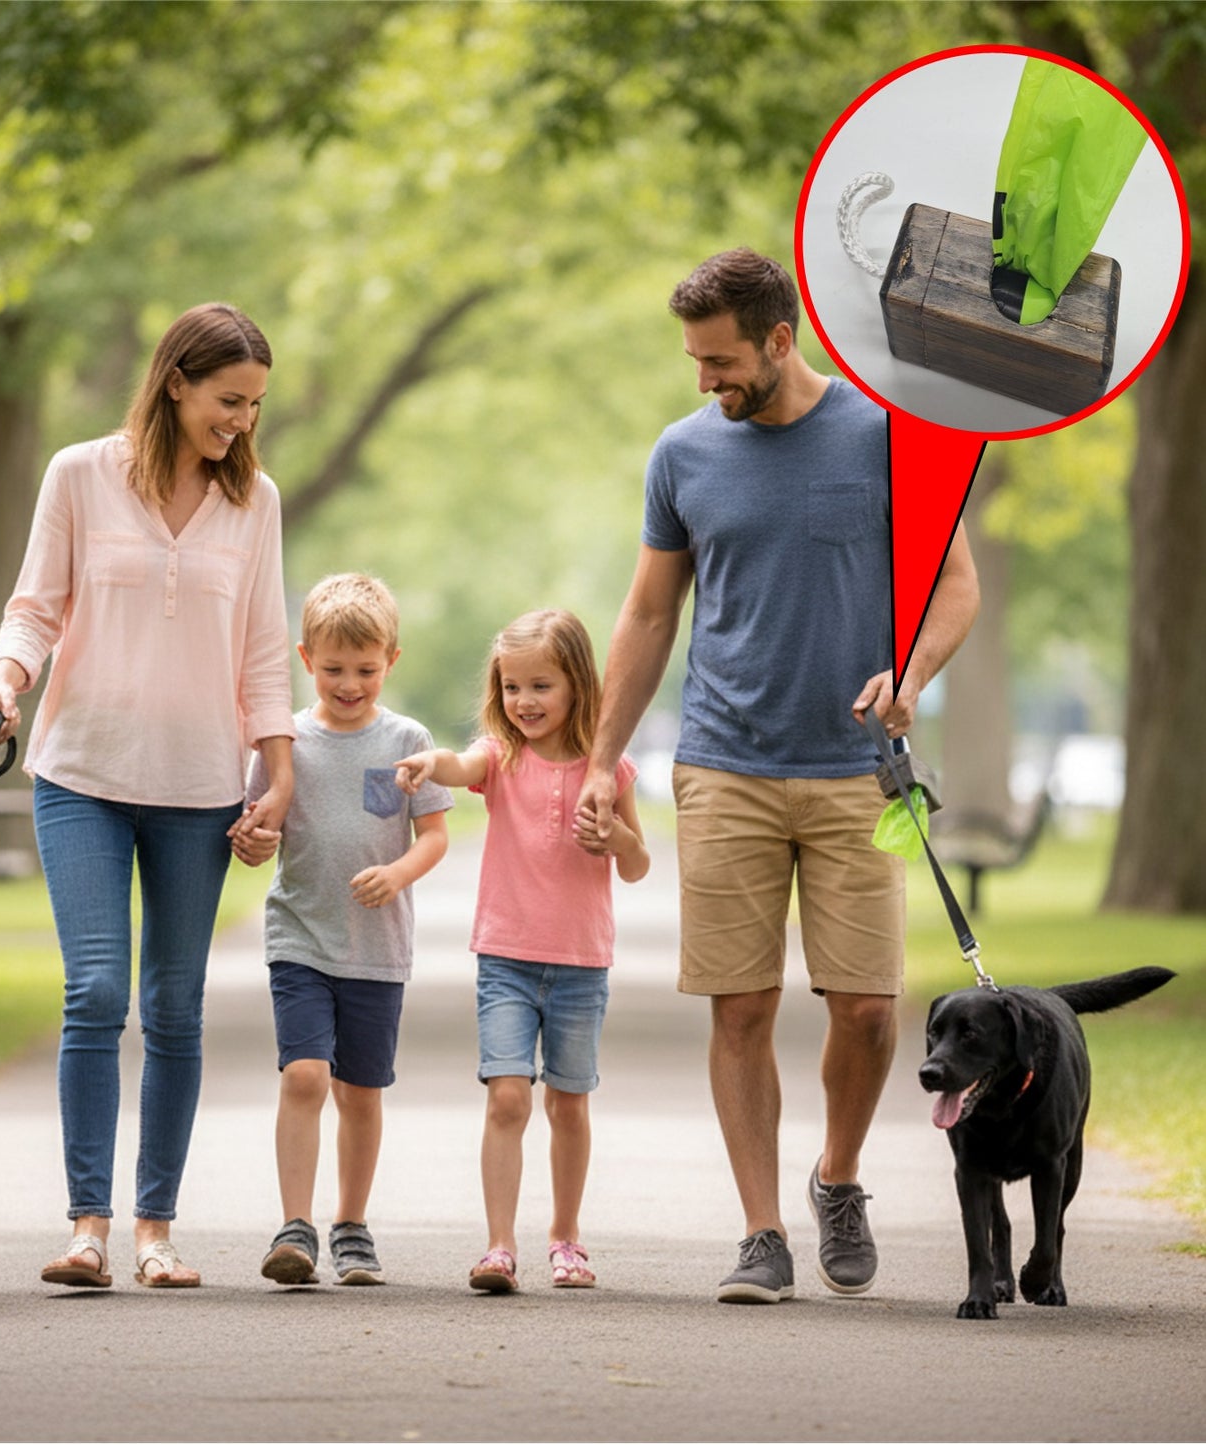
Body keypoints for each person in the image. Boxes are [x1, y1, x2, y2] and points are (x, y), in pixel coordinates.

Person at [577, 249, 979, 1305]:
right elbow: (649, 613)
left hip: (859, 767)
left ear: (778, 340)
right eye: (694, 362)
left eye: (718, 362)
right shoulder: (681, 455)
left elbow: (955, 585)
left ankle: (835, 1176)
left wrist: (912, 670)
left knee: (864, 1007)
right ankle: (760, 1229)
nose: (703, 381)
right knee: (739, 1006)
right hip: (723, 761)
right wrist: (598, 758)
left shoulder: (887, 432)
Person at [0, 302, 296, 1291]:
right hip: (83, 772)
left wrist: (275, 773)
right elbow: (36, 603)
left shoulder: (256, 503)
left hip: (200, 786)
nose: (240, 420)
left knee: (173, 1004)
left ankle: (155, 1229)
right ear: (174, 382)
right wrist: (7, 678)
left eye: (251, 405)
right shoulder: (80, 473)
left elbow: (263, 652)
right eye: (226, 399)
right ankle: (87, 1226)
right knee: (96, 991)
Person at [396, 609, 649, 1293]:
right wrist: (430, 764)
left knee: (568, 1102)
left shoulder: (610, 766)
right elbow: (461, 762)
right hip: (504, 958)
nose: (524, 701)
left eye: (541, 685)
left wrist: (616, 841)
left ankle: (565, 1237)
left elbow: (636, 865)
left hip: (579, 963)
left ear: (577, 683)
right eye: (511, 687)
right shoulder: (502, 756)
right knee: (507, 1097)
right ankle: (498, 1245)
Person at [244, 573, 451, 1288]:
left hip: (377, 948)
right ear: (307, 660)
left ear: (390, 660)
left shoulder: (407, 740)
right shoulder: (285, 742)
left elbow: (433, 836)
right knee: (304, 1075)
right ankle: (293, 1225)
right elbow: (258, 821)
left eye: (364, 669)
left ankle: (351, 1224)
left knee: (360, 1091)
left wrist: (398, 873)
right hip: (299, 935)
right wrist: (251, 840)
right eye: (333, 668)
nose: (348, 682)